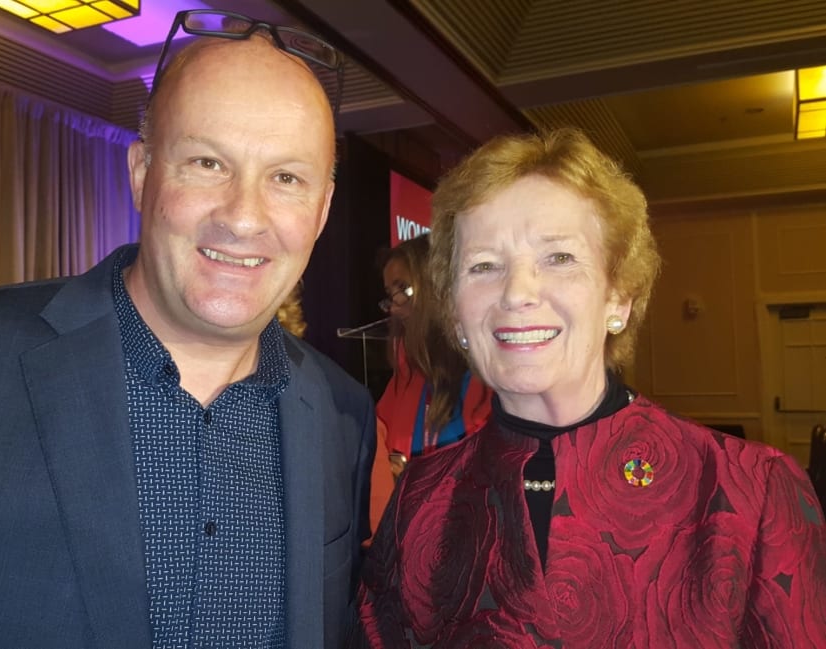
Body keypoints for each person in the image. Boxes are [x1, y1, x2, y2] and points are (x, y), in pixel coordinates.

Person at [0, 11, 375, 649]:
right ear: (141, 173)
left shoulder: (344, 414)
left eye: (286, 179)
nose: (243, 217)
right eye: (208, 163)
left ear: (321, 211)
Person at [351, 129, 826, 647]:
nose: (517, 293)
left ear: (618, 298)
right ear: (456, 314)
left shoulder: (748, 494)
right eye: (484, 266)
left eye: (558, 258)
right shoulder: (420, 501)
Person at [371, 234, 491, 533]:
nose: (396, 307)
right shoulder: (405, 377)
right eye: (390, 295)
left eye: (404, 290)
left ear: (440, 287)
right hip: (411, 542)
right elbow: (377, 451)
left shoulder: (494, 374)